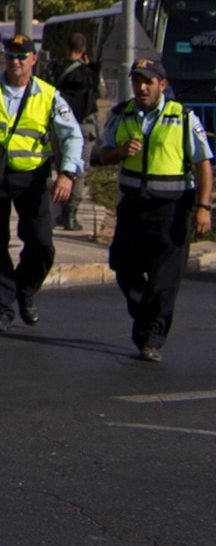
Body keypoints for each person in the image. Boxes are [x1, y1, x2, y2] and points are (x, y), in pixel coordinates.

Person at [91, 59, 212, 361]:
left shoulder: (182, 117)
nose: (142, 87)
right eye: (137, 81)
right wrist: (120, 152)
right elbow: (102, 154)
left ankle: (151, 338)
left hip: (172, 209)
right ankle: (145, 314)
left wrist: (203, 207)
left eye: (148, 82)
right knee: (123, 267)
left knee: (164, 279)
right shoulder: (122, 115)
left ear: (162, 84)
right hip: (133, 206)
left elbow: (203, 164)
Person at [0, 33, 82, 325]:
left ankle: (25, 290)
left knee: (42, 243)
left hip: (31, 178)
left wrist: (67, 174)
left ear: (34, 59)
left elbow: (72, 136)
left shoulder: (48, 94)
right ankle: (3, 307)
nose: (15, 61)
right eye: (10, 55)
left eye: (22, 55)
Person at [51, 31, 103, 228]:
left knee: (62, 167)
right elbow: (102, 92)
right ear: (83, 51)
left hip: (61, 124)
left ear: (66, 47)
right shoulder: (90, 72)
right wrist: (88, 66)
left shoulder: (55, 69)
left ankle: (63, 212)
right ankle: (71, 215)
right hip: (84, 125)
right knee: (79, 170)